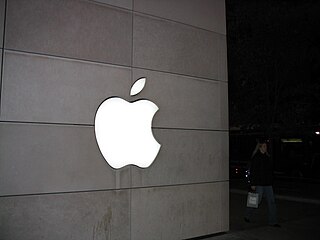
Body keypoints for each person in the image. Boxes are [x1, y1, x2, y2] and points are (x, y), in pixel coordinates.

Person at [244, 139, 280, 227]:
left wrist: (271, 180)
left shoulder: (267, 157)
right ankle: (247, 215)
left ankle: (273, 221)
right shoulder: (256, 157)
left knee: (272, 202)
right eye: (264, 146)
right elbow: (253, 171)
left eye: (266, 146)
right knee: (256, 201)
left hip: (267, 183)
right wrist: (253, 183)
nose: (266, 148)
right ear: (260, 147)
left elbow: (269, 171)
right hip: (259, 183)